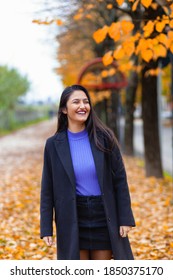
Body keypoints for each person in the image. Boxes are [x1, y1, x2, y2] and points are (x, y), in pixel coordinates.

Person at [40, 84, 135, 260]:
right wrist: (46, 227)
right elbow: (47, 188)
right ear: (64, 109)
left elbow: (120, 180)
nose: (82, 106)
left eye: (86, 102)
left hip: (104, 215)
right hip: (72, 216)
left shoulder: (105, 138)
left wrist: (125, 218)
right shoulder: (53, 145)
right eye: (76, 102)